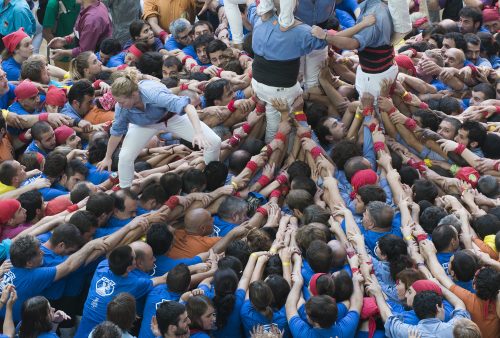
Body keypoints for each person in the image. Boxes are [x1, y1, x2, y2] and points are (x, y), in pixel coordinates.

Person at [96, 69, 221, 189]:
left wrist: (198, 133)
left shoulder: (154, 94)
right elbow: (116, 133)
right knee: (124, 157)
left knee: (214, 141)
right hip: (143, 125)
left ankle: (209, 174)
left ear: (134, 94)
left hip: (171, 117)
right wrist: (107, 157)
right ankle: (126, 192)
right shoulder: (121, 107)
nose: (119, 105)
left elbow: (188, 107)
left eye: (122, 102)